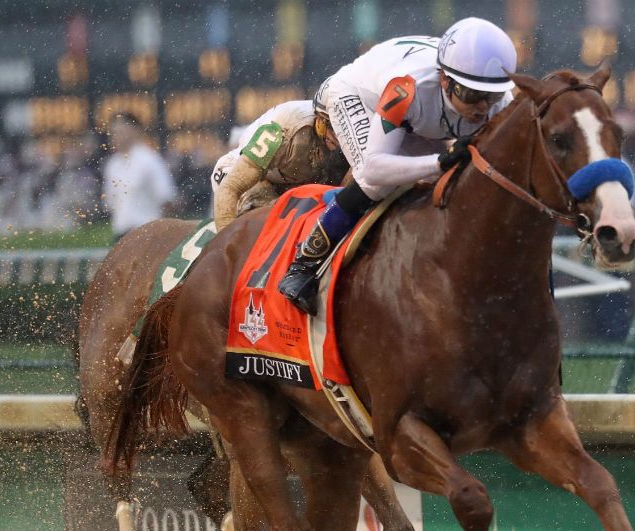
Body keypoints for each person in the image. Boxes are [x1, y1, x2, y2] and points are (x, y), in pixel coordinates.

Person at [278, 16, 517, 314]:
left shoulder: (503, 102)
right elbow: (375, 168)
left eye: (491, 97)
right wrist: (439, 162)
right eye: (471, 95)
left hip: (419, 121)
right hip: (358, 96)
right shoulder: (407, 87)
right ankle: (304, 265)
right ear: (445, 79)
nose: (482, 108)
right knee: (377, 184)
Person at [210, 83, 344, 232]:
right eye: (333, 126)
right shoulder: (284, 128)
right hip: (244, 175)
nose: (340, 136)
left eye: (344, 127)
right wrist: (227, 245)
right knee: (268, 225)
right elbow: (230, 188)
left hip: (290, 183)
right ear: (319, 118)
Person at [101, 113, 177, 240]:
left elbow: (167, 200)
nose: (116, 137)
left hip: (148, 235)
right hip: (121, 234)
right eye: (113, 133)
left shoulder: (150, 160)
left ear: (135, 131)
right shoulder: (112, 165)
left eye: (121, 132)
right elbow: (110, 203)